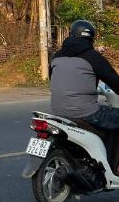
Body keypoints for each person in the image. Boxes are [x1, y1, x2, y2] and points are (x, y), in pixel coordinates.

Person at [50, 19, 119, 171]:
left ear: (70, 35)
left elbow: (53, 78)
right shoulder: (93, 57)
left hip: (58, 111)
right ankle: (113, 167)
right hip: (85, 112)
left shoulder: (55, 56)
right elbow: (115, 82)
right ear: (91, 39)